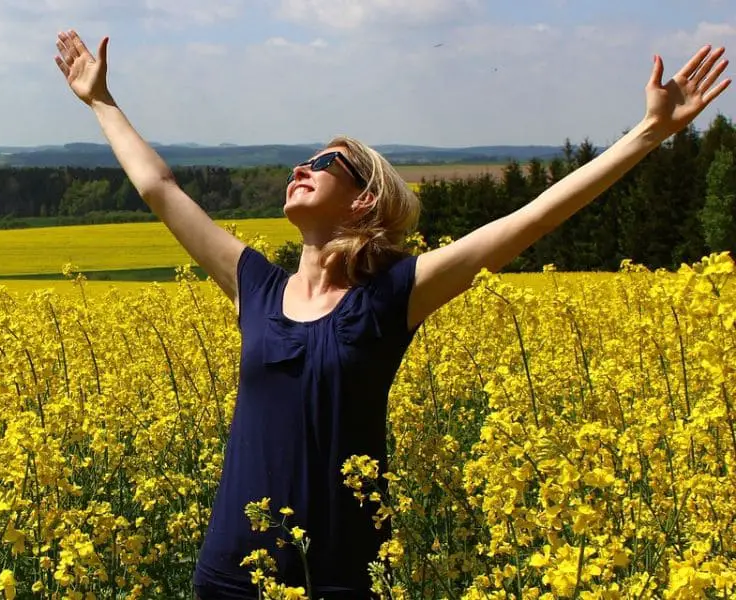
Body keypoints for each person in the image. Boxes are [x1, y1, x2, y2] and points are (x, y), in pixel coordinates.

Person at [53, 29, 730, 599]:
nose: (302, 165)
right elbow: (158, 186)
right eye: (304, 158)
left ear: (364, 202)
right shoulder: (253, 286)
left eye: (327, 162)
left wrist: (647, 134)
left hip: (341, 578)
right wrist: (101, 100)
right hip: (232, 574)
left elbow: (525, 222)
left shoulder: (391, 297)